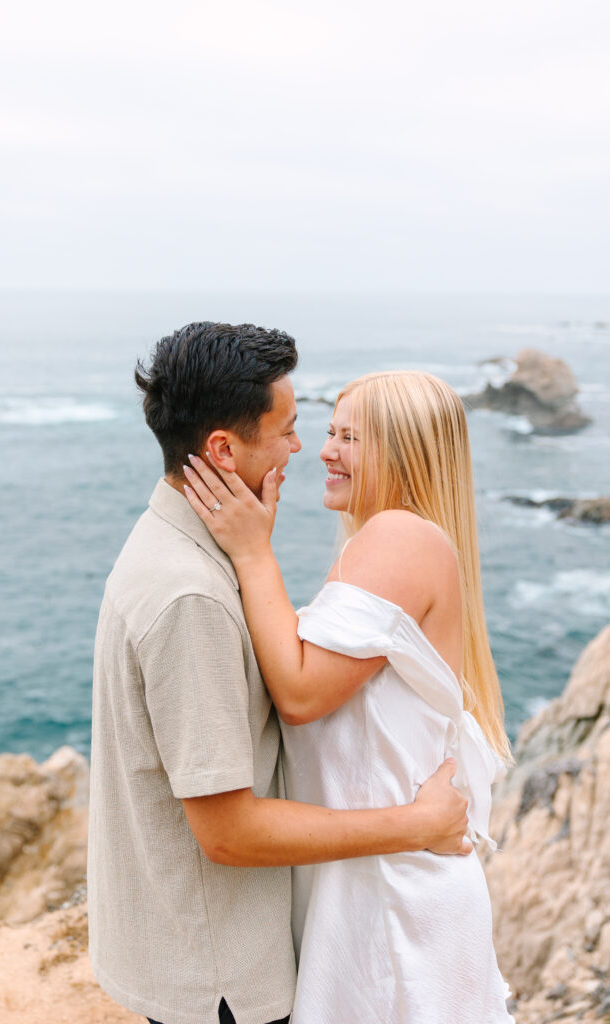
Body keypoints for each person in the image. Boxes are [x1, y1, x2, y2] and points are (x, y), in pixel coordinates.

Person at [88, 325, 472, 1024]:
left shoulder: (180, 549)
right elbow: (231, 825)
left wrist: (252, 555)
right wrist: (416, 823)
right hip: (227, 969)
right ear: (223, 450)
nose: (311, 449)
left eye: (344, 437)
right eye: (301, 429)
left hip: (363, 902)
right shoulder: (193, 594)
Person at [183, 369, 515, 1024]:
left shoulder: (399, 537)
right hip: (377, 885)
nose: (324, 451)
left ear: (403, 451)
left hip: (394, 900)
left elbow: (302, 693)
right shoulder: (394, 541)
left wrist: (253, 553)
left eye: (350, 438)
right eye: (330, 432)